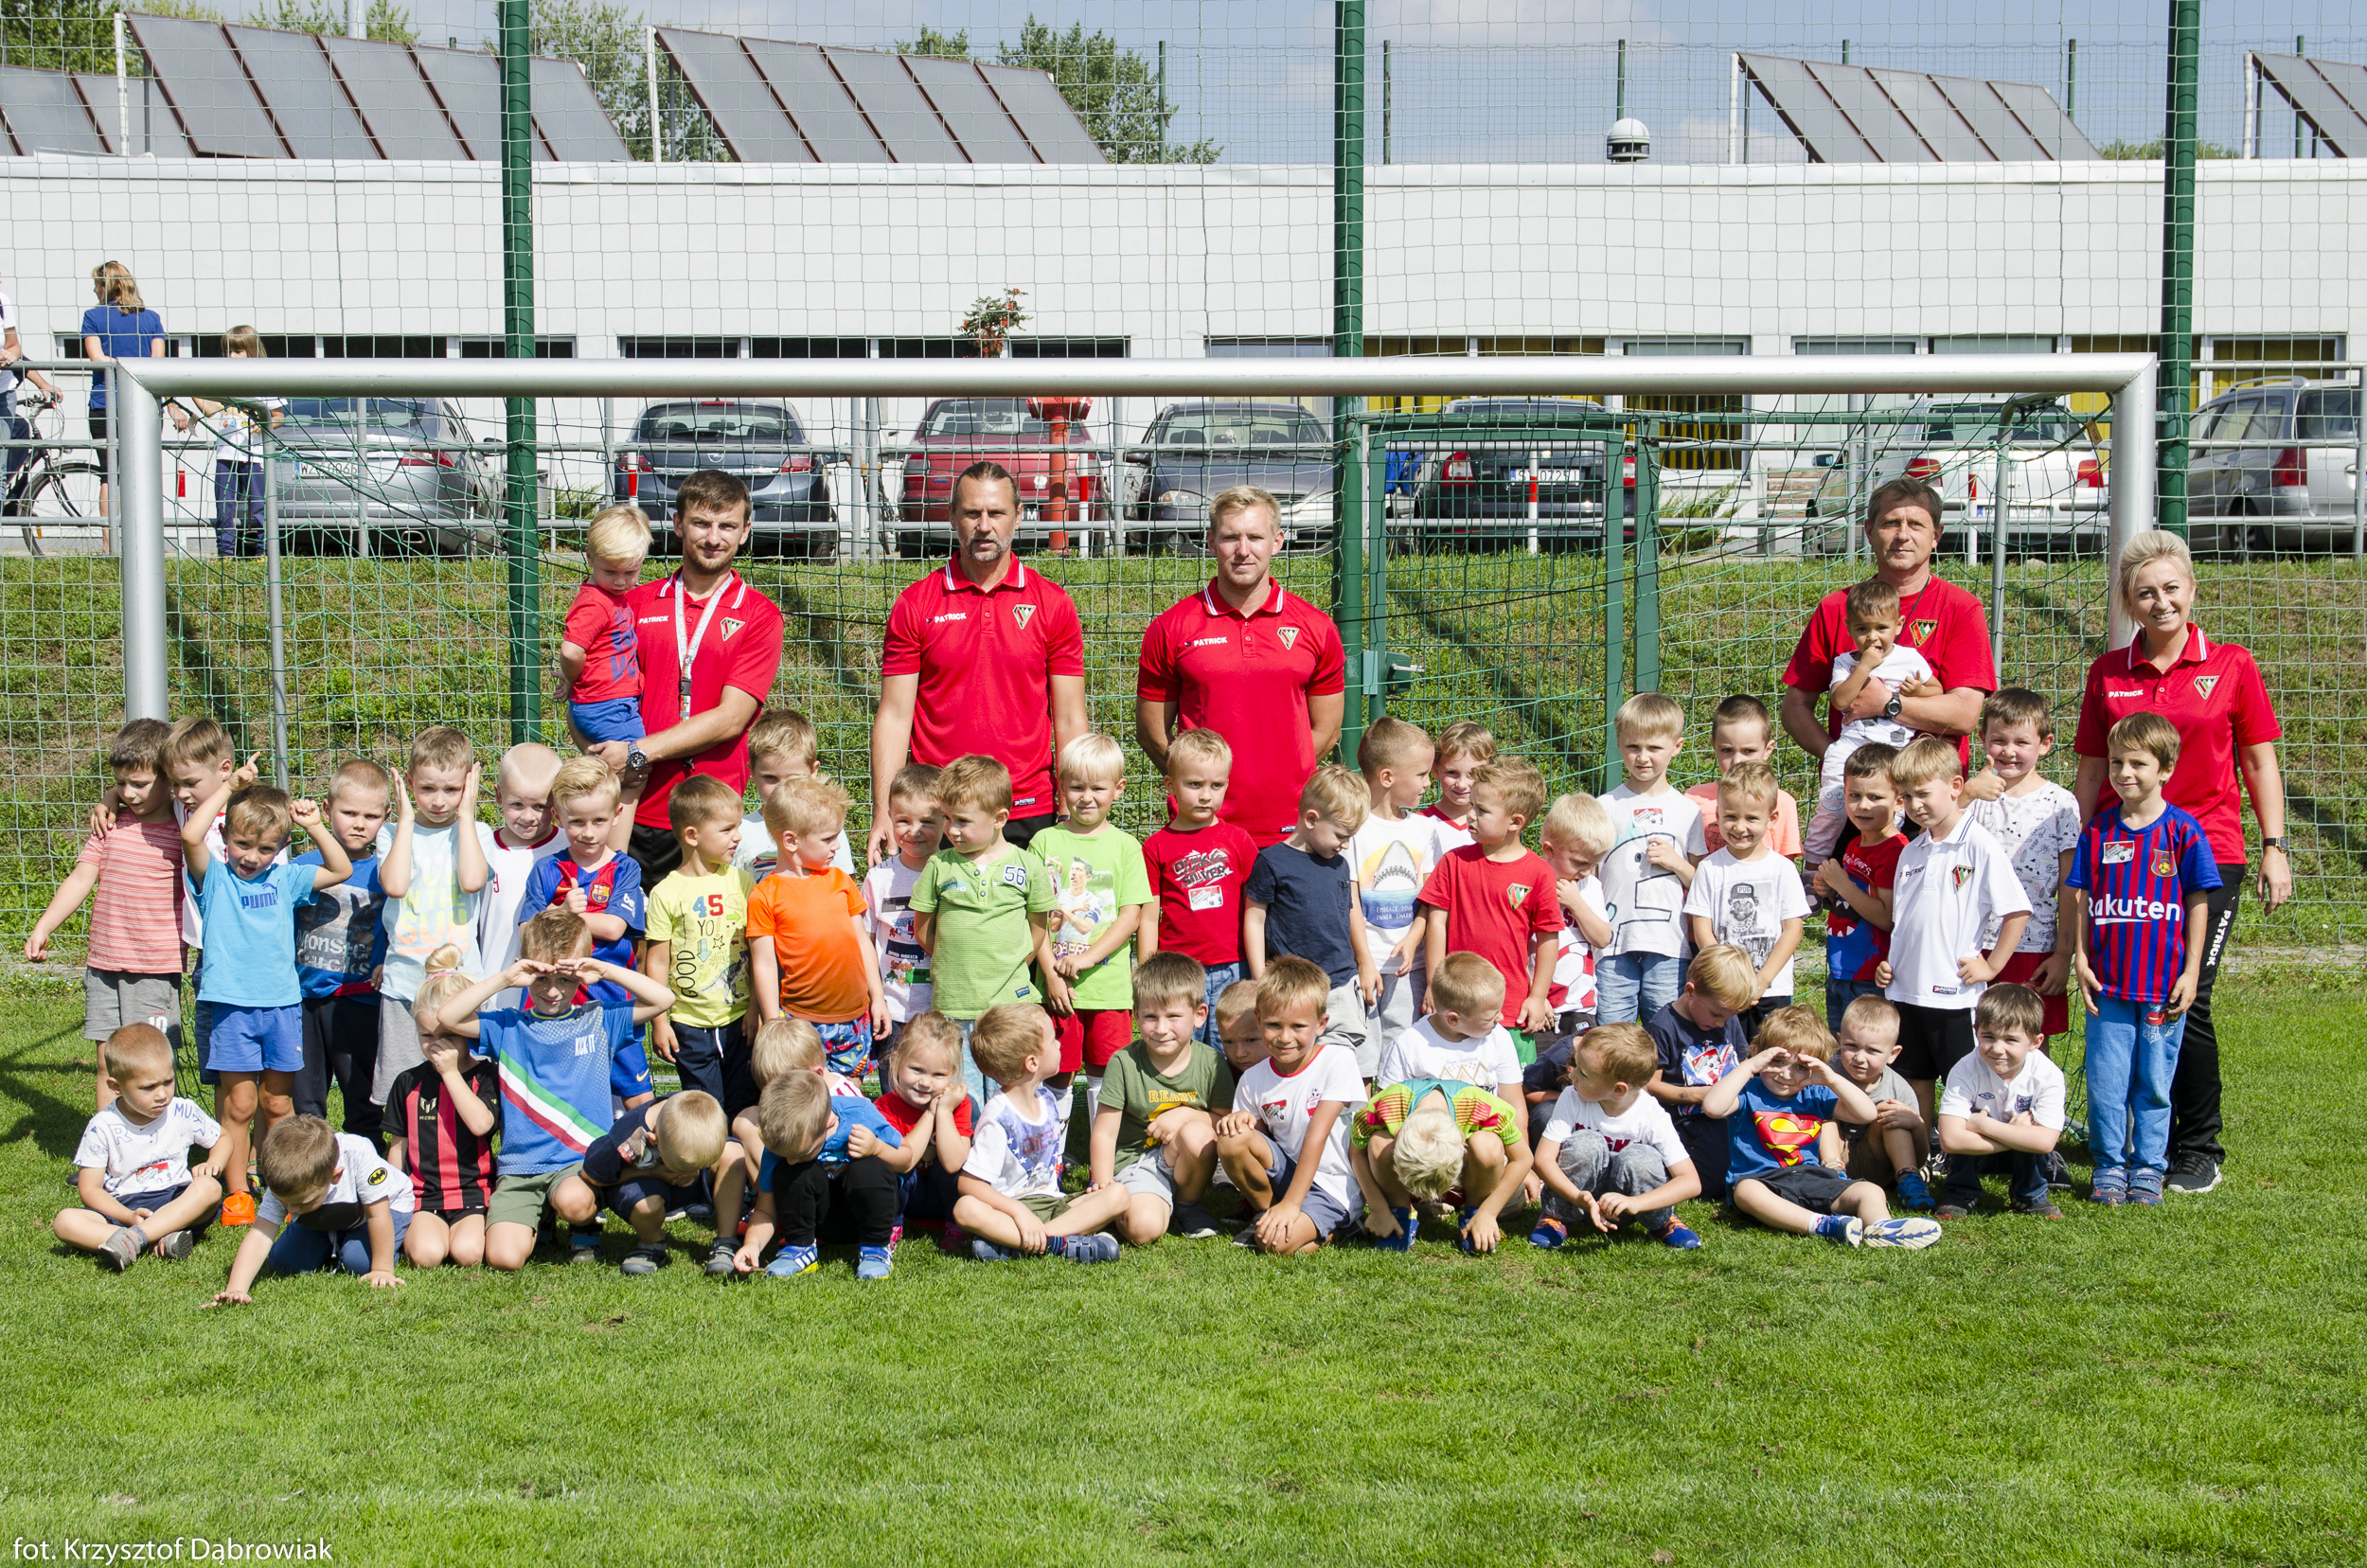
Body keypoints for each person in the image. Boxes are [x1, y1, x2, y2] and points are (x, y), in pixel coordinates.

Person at [2071, 528, 2287, 1197]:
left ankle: (2198, 1147)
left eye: (2171, 588)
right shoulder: (2108, 673)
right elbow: (2090, 770)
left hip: (2208, 854)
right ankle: (2133, 1143)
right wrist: (2079, 851)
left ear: (2192, 590)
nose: (2161, 602)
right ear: (2128, 601)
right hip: (2122, 860)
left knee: (2185, 995)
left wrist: (2274, 846)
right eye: (2146, 593)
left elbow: (2258, 760)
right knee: (2120, 996)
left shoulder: (2232, 665)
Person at [426, 907, 676, 1272]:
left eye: (565, 979)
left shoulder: (599, 1018)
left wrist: (605, 970)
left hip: (579, 1163)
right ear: (526, 972)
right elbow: (447, 1017)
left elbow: (663, 999)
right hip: (521, 1167)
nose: (553, 991)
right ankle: (541, 1218)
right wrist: (505, 979)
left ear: (580, 975)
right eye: (541, 979)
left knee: (574, 1202)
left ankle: (583, 1225)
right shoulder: (508, 1026)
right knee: (503, 1259)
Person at [872, 460, 1087, 859]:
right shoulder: (916, 604)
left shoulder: (1052, 603)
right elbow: (895, 716)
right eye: (972, 513)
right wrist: (884, 811)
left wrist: (1069, 805)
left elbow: (1071, 718)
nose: (984, 526)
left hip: (1026, 808)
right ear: (953, 516)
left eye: (996, 513)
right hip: (938, 810)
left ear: (1018, 516)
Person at [590, 469, 785, 884]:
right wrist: (604, 753)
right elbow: (595, 692)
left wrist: (636, 752)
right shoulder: (634, 602)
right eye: (701, 523)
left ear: (745, 531)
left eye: (727, 526)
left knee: (709, 928)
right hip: (634, 807)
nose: (714, 538)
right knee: (627, 924)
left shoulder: (760, 615)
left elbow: (731, 718)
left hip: (713, 817)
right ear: (678, 524)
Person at [184, 755, 353, 1234]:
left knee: (277, 1105)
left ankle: (282, 1185)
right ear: (225, 837)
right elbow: (191, 836)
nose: (252, 856)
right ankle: (238, 1192)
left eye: (265, 848)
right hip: (232, 1009)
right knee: (238, 1106)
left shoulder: (286, 878)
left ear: (280, 848)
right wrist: (230, 787)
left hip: (281, 1007)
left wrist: (314, 826)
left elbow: (339, 868)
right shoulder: (215, 879)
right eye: (242, 844)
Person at [2065, 712, 2222, 1208]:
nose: (2124, 772)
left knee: (2154, 1082)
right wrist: (2081, 957)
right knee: (2107, 1081)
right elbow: (2083, 899)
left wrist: (2192, 971)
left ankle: (2150, 1166)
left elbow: (2198, 902)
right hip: (2108, 987)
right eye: (2116, 762)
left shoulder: (2183, 832)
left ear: (2166, 769)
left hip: (2161, 989)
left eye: (2138, 763)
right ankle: (2109, 1166)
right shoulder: (2098, 832)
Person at [1137, 486, 1345, 846]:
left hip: (1291, 826)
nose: (1243, 550)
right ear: (1210, 542)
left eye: (1255, 537)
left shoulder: (1316, 627)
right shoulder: (1171, 628)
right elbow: (1152, 733)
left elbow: (1327, 732)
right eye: (1230, 537)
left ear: (1277, 542)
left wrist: (1282, 779)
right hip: (1203, 827)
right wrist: (1198, 788)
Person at [1782, 477, 1996, 798]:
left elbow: (1964, 714)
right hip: (1860, 801)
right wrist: (1844, 762)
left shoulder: (1961, 608)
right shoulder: (1836, 608)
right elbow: (1795, 707)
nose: (1903, 535)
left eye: (1916, 524)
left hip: (1931, 798)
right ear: (1869, 531)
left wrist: (1888, 703)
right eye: (1891, 523)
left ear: (1936, 535)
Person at [26, 720, 185, 1107]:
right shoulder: (109, 825)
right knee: (108, 1064)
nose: (128, 793)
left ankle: (157, 1142)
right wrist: (44, 926)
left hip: (153, 967)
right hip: (103, 963)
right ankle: (107, 1142)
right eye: (120, 783)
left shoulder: (185, 829)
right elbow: (82, 877)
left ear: (169, 777)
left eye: (139, 784)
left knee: (150, 1064)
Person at [1876, 737, 2032, 1131]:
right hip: (1905, 991)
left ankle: (1973, 1150)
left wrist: (1991, 967)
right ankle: (1924, 1145)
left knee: (1967, 1083)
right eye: (1907, 797)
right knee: (1915, 1078)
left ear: (1955, 786)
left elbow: (2017, 910)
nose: (1915, 805)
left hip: (1953, 994)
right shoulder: (1911, 850)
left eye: (1923, 793)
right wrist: (1889, 965)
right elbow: (1905, 922)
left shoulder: (1978, 844)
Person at [1698, 1006, 1942, 1250]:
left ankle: (1882, 1228)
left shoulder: (1815, 1094)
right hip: (1763, 1180)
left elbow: (1866, 1113)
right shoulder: (1749, 1091)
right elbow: (1713, 1107)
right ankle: (1823, 1225)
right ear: (1758, 1054)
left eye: (1800, 1067)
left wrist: (1831, 1079)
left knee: (1870, 1191)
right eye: (1777, 1061)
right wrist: (1750, 1066)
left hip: (1813, 1177)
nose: (1786, 1074)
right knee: (1745, 1192)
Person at [910, 756, 1059, 1103]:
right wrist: (956, 960)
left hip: (1009, 1008)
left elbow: (1038, 928)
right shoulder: (938, 866)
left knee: (1011, 1092)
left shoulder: (1029, 866)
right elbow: (923, 930)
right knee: (962, 1098)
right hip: (954, 1005)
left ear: (999, 818)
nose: (952, 829)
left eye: (962, 820)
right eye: (947, 818)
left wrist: (1011, 963)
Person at [369, 727, 490, 1135]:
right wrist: (405, 819)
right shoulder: (392, 833)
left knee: (465, 1086)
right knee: (402, 1094)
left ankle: (461, 1165)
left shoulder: (476, 831)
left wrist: (467, 814)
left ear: (468, 785)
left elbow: (472, 881)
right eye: (427, 789)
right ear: (408, 783)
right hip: (404, 985)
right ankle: (400, 1170)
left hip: (462, 987)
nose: (439, 801)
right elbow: (395, 885)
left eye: (452, 789)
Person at [518, 757, 653, 1111]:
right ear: (558, 817)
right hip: (556, 1002)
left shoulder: (625, 868)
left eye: (598, 821)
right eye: (577, 822)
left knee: (640, 1098)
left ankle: (649, 1149)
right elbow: (526, 933)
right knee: (557, 1092)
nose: (588, 832)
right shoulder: (547, 870)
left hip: (612, 1001)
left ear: (617, 814)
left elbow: (613, 927)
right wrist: (562, 912)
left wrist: (565, 916)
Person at [1213, 957, 1367, 1256]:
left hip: (1330, 1186)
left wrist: (1293, 1205)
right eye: (1274, 1025)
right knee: (1232, 1138)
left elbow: (1317, 1135)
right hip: (1287, 1176)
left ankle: (1340, 1227)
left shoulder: (1338, 1060)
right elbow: (1257, 1142)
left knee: (1274, 1244)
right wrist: (1241, 1122)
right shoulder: (1252, 1078)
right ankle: (1267, 1211)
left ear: (1321, 1024)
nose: (1285, 1038)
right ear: (1259, 1020)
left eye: (1298, 1026)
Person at [952, 1003, 1127, 1264]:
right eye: (1053, 1040)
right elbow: (968, 1183)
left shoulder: (1046, 1098)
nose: (1059, 1044)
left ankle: (1021, 1243)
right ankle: (1060, 1244)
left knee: (1118, 1195)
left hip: (1054, 1204)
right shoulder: (999, 1117)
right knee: (965, 1209)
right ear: (1032, 1062)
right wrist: (1018, 1212)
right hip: (1010, 1210)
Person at [1029, 734, 1151, 1106]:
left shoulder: (1126, 847)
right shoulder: (1043, 842)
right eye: (1077, 787)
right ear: (1061, 786)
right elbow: (1034, 917)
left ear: (1118, 789)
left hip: (1108, 990)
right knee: (1054, 1071)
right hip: (1056, 988)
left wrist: (1084, 959)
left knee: (1107, 1075)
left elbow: (1130, 917)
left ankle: (1103, 1145)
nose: (1086, 797)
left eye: (1098, 788)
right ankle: (1050, 1144)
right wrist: (1050, 974)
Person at [745, 775, 888, 1083]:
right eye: (828, 839)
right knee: (803, 1096)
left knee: (851, 1092)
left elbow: (862, 942)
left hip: (855, 1018)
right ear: (791, 841)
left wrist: (877, 997)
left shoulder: (841, 881)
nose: (837, 845)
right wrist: (772, 1023)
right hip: (802, 1024)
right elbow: (765, 964)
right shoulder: (765, 895)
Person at [1417, 757, 1561, 1057]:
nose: (1470, 815)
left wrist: (1537, 997)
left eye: (1481, 810)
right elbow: (1436, 923)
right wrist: (1434, 984)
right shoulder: (1453, 862)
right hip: (1455, 1004)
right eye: (1472, 805)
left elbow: (1548, 938)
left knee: (1509, 1083)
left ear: (1515, 822)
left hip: (1509, 1010)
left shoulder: (1539, 872)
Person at [1089, 951, 1234, 1246]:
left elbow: (1225, 1122)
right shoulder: (1124, 1062)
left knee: (1198, 1133)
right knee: (1143, 1228)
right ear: (1136, 1014)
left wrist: (1186, 1114)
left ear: (1199, 1015)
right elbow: (1104, 1132)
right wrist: (1103, 1186)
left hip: (1185, 1159)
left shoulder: (1213, 1062)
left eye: (1173, 1016)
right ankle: (1126, 1207)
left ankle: (1188, 1205)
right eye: (1150, 1017)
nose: (1161, 1029)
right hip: (1136, 1164)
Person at [1963, 689, 2081, 1043]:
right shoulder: (1971, 796)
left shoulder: (2061, 804)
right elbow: (1936, 837)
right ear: (1982, 738)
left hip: (2034, 947)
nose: (2009, 751)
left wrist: (2063, 954)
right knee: (1974, 1042)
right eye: (1999, 740)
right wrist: (1967, 794)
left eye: (2022, 742)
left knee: (2027, 1043)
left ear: (2045, 744)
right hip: (1971, 943)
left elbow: (2071, 886)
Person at [55, 1024, 223, 1270]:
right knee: (65, 1221)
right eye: (148, 1087)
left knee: (209, 1188)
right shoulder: (102, 1125)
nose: (161, 1094)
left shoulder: (182, 1110)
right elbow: (90, 1189)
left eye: (168, 1081)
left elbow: (223, 1137)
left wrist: (213, 1161)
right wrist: (127, 1216)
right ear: (116, 1087)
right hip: (123, 1206)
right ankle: (159, 1239)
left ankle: (136, 1239)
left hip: (176, 1200)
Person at [1243, 765, 1376, 1069]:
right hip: (1295, 991)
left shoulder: (1340, 865)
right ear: (1312, 819)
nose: (1345, 844)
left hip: (1342, 985)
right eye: (1341, 835)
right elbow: (1254, 920)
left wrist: (1364, 962)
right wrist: (1260, 978)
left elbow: (1349, 912)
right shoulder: (1271, 862)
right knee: (1299, 1068)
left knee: (1348, 1066)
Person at [1527, 1023, 1702, 1251]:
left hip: (1630, 1206)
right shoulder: (1571, 1097)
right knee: (1586, 1143)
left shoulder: (1651, 1114)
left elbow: (1690, 1182)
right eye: (1575, 1065)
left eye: (1583, 1073)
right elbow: (1543, 1159)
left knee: (1641, 1157)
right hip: (1578, 1198)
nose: (1572, 1075)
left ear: (1618, 1090)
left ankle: (1661, 1220)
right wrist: (1576, 1196)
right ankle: (1557, 1217)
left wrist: (1636, 1202)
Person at [290, 758, 393, 1145]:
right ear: (327, 808)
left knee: (363, 1099)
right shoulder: (302, 866)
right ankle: (309, 1171)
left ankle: (368, 1171)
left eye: (370, 816)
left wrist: (387, 960)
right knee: (305, 1101)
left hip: (360, 1001)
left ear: (386, 817)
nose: (359, 824)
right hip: (305, 1000)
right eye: (349, 813)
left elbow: (399, 926)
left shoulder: (386, 872)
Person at [209, 1114, 416, 1301]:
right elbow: (260, 1233)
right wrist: (236, 1289)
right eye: (285, 1203)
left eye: (301, 1202)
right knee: (283, 1261)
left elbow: (378, 1215)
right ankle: (337, 1240)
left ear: (335, 1176)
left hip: (385, 1208)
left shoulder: (358, 1155)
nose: (292, 1210)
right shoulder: (285, 1175)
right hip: (328, 1216)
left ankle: (357, 1244)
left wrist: (382, 1269)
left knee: (358, 1262)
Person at [711, 1018, 862, 1274]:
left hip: (836, 1198)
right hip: (799, 1183)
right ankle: (774, 1208)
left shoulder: (847, 1104)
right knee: (746, 1120)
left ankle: (798, 1221)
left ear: (815, 1075)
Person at [639, 772, 753, 1111]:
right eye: (727, 829)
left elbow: (757, 948)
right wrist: (660, 1021)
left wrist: (757, 1011)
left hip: (740, 1018)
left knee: (745, 1106)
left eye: (737, 827)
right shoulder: (665, 893)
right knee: (705, 1110)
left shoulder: (742, 882)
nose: (737, 836)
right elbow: (657, 961)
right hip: (689, 1024)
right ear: (692, 835)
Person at [1801, 580, 1934, 865]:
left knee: (1895, 814)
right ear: (1849, 628)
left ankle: (1889, 868)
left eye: (1881, 628)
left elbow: (1937, 690)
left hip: (1895, 752)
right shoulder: (1845, 662)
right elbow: (1840, 700)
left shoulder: (1910, 658)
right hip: (1851, 747)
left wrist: (1919, 691)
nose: (1872, 637)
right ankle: (1812, 870)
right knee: (1832, 808)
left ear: (1898, 625)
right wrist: (1863, 667)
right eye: (1862, 629)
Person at [1139, 728, 1258, 1042]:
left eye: (1216, 785)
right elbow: (1148, 918)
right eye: (1195, 784)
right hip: (1178, 972)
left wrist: (1257, 969)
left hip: (1234, 967)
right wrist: (1148, 975)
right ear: (1170, 785)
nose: (1206, 795)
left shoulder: (1240, 841)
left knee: (1231, 1051)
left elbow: (1256, 912)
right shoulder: (1155, 847)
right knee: (1178, 1049)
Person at [1594, 692, 1704, 1025]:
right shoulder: (1604, 806)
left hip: (1668, 944)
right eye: (1633, 747)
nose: (1643, 757)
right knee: (1613, 1032)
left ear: (1677, 746)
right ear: (1619, 744)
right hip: (1612, 943)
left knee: (1666, 1027)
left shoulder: (1688, 810)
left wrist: (1676, 863)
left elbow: (1702, 883)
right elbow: (1590, 872)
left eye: (1654, 748)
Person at [383, 956, 499, 1269]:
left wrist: (449, 1073)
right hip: (424, 1194)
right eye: (427, 1036)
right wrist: (394, 1196)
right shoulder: (407, 1082)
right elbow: (399, 1147)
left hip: (474, 1191)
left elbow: (481, 1124)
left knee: (468, 1252)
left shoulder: (487, 1075)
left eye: (449, 1036)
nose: (437, 1045)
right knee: (427, 1255)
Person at [734, 1070, 908, 1280]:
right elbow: (765, 1209)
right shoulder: (784, 1139)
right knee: (789, 1172)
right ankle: (800, 1247)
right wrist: (752, 1244)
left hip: (869, 1213)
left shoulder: (860, 1114)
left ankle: (876, 1248)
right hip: (820, 1220)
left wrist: (877, 1148)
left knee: (868, 1168)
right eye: (787, 1155)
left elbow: (906, 1158)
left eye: (800, 1154)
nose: (792, 1160)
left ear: (829, 1121)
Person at [1681, 761, 1810, 1039]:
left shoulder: (1783, 869)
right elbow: (1702, 928)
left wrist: (1762, 980)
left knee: (1770, 1053)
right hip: (1722, 992)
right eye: (1730, 816)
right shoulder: (1709, 868)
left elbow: (1792, 930)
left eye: (1751, 818)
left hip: (1771, 990)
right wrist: (1725, 977)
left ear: (1772, 818)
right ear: (1718, 813)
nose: (1740, 827)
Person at [1349, 717, 1452, 1043]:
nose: (1428, 783)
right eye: (1421, 774)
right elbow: (1350, 902)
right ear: (1387, 777)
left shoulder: (1424, 829)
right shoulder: (1352, 829)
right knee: (1363, 1049)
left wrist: (1413, 938)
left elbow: (1431, 898)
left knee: (1402, 1044)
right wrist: (1364, 960)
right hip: (1362, 967)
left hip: (1411, 967)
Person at [1351, 1077, 1531, 1255]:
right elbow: (1356, 1154)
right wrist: (1378, 1209)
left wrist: (1488, 1212)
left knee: (1487, 1145)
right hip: (1408, 1188)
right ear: (1398, 1135)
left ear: (1461, 1139)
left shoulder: (1483, 1108)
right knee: (1379, 1143)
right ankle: (1399, 1214)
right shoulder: (1382, 1108)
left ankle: (1474, 1213)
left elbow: (1523, 1159)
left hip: (1469, 1183)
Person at [1931, 984, 2066, 1220]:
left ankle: (2029, 1195)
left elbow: (2045, 1143)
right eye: (1989, 1037)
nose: (1997, 1048)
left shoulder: (2047, 1074)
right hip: (1975, 1148)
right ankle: (1960, 1193)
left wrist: (1983, 1125)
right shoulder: (1965, 1069)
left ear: (2035, 1042)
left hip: (2008, 1146)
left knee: (2029, 1132)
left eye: (2010, 1040)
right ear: (1976, 1031)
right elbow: (1950, 1140)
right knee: (2025, 1131)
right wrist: (2018, 1136)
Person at [1641, 943, 1755, 1202]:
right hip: (1690, 1121)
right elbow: (1649, 1086)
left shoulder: (1726, 1018)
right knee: (1712, 1186)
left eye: (1729, 1017)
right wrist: (1698, 1096)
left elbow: (1742, 1062)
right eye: (1716, 1014)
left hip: (1731, 1114)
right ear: (1690, 991)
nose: (1721, 1023)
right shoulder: (1664, 1026)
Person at [580, 1089, 733, 1276]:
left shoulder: (694, 1115)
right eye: (685, 1167)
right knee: (646, 1205)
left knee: (733, 1152)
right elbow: (592, 1175)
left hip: (682, 1184)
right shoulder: (626, 1138)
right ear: (654, 1141)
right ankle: (652, 1243)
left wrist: (693, 1172)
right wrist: (653, 1172)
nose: (693, 1171)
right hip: (646, 1187)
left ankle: (726, 1242)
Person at [1376, 953, 1527, 1140]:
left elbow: (1515, 1105)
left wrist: (1522, 1153)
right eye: (1490, 1017)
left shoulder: (1498, 1037)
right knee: (1378, 1143)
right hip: (1430, 1141)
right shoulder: (1409, 1044)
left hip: (1483, 1139)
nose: (1501, 1018)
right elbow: (1385, 1106)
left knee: (1485, 1144)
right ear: (1453, 1020)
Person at [1810, 742, 1905, 1033]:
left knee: (1865, 1046)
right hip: (1843, 967)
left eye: (1875, 797)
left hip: (1872, 975)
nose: (1863, 805)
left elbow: (1886, 917)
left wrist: (1842, 883)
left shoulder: (1895, 850)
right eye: (1854, 795)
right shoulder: (1854, 843)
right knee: (1842, 1047)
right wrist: (1830, 890)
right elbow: (1853, 898)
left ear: (1899, 801)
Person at [80, 260, 180, 536]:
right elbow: (157, 364)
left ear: (107, 285)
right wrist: (170, 403)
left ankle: (109, 542)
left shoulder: (93, 317)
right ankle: (145, 540)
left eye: (97, 284)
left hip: (106, 403)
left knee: (109, 473)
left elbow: (97, 358)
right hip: (144, 404)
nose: (94, 290)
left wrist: (120, 365)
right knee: (143, 473)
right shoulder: (151, 318)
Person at [866, 1012, 973, 1248]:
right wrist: (931, 1113)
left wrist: (944, 1112)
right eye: (916, 1069)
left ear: (953, 1075)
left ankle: (954, 1225)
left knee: (960, 1168)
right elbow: (904, 1162)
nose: (925, 1082)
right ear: (897, 1061)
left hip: (944, 1197)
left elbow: (954, 1164)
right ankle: (892, 1223)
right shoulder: (885, 1107)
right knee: (891, 1165)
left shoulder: (959, 1105)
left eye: (938, 1075)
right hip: (907, 1197)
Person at [862, 764, 944, 1059]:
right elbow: (866, 943)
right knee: (894, 1084)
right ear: (890, 817)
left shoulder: (955, 873)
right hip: (892, 1010)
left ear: (946, 818)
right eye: (903, 821)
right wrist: (876, 998)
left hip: (943, 1008)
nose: (913, 831)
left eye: (926, 822)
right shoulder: (878, 878)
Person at [1828, 994, 1935, 1211]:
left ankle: (1909, 1179)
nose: (1860, 1057)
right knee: (1824, 1114)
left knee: (1892, 1115)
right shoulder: (1829, 1072)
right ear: (1839, 1040)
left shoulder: (1898, 1088)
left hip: (1877, 1164)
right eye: (1851, 1046)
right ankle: (1832, 1175)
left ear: (1893, 1054)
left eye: (1872, 1051)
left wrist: (1916, 1124)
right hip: (1832, 1156)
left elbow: (1922, 1155)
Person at [184, 327, 283, 559]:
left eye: (238, 351)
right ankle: (226, 553)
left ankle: (264, 552)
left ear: (252, 351)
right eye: (227, 351)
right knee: (225, 506)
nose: (231, 356)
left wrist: (264, 423)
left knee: (259, 505)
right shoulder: (221, 379)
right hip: (226, 454)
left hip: (256, 455)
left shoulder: (266, 380)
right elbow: (211, 409)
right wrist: (191, 390)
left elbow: (279, 417)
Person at [560, 504, 651, 752]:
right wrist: (572, 679)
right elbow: (571, 652)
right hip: (605, 706)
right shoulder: (595, 603)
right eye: (610, 571)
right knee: (637, 765)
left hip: (614, 702)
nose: (620, 581)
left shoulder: (610, 597)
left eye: (630, 571)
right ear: (589, 557)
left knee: (620, 765)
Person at [477, 743, 564, 1001]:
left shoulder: (569, 846)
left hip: (552, 992)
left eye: (539, 806)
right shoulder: (482, 848)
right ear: (498, 795)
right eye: (517, 804)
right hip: (492, 987)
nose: (528, 817)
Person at [733, 710, 855, 880]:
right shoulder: (740, 832)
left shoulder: (826, 827)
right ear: (752, 771)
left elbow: (844, 884)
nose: (782, 789)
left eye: (793, 779)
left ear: (813, 771)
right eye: (770, 778)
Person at [1536, 793, 1614, 1049]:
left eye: (1593, 864)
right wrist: (1535, 996)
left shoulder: (1590, 886)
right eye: (1580, 863)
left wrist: (1576, 903)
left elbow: (1602, 938)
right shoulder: (1531, 883)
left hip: (1580, 1005)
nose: (1587, 872)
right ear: (1549, 850)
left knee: (1578, 1066)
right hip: (1540, 1004)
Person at [1684, 695, 1804, 859]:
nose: (1737, 761)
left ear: (1768, 749)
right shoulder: (1693, 799)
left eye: (1748, 751)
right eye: (1727, 750)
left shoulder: (1782, 802)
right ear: (1714, 746)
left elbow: (1785, 864)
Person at [0, 268, 62, 510]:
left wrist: (43, 384)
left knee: (18, 436)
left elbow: (15, 349)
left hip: (3, 393)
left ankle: (9, 498)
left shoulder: (2, 302)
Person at [1419, 722, 1495, 846]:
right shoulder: (1419, 824)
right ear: (1436, 770)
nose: (1462, 784)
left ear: (1488, 773)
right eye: (1452, 773)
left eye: (1472, 774)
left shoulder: (1495, 824)